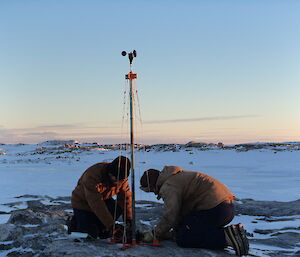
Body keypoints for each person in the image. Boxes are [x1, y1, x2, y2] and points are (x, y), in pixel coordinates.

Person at [140, 166, 249, 256]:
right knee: (184, 229)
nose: (154, 193)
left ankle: (225, 237)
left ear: (153, 185)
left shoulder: (168, 186)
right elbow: (180, 215)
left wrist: (155, 234)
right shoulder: (175, 177)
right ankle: (230, 234)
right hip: (225, 208)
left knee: (184, 238)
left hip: (216, 210)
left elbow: (171, 215)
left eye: (151, 190)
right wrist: (170, 233)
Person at [68, 156, 132, 240]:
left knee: (104, 233)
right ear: (109, 172)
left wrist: (128, 220)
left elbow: (125, 199)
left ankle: (100, 227)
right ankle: (74, 223)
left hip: (104, 200)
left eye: (119, 179)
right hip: (83, 204)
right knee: (91, 235)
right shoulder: (93, 175)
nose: (115, 181)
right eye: (114, 177)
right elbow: (96, 202)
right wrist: (110, 224)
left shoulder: (122, 180)